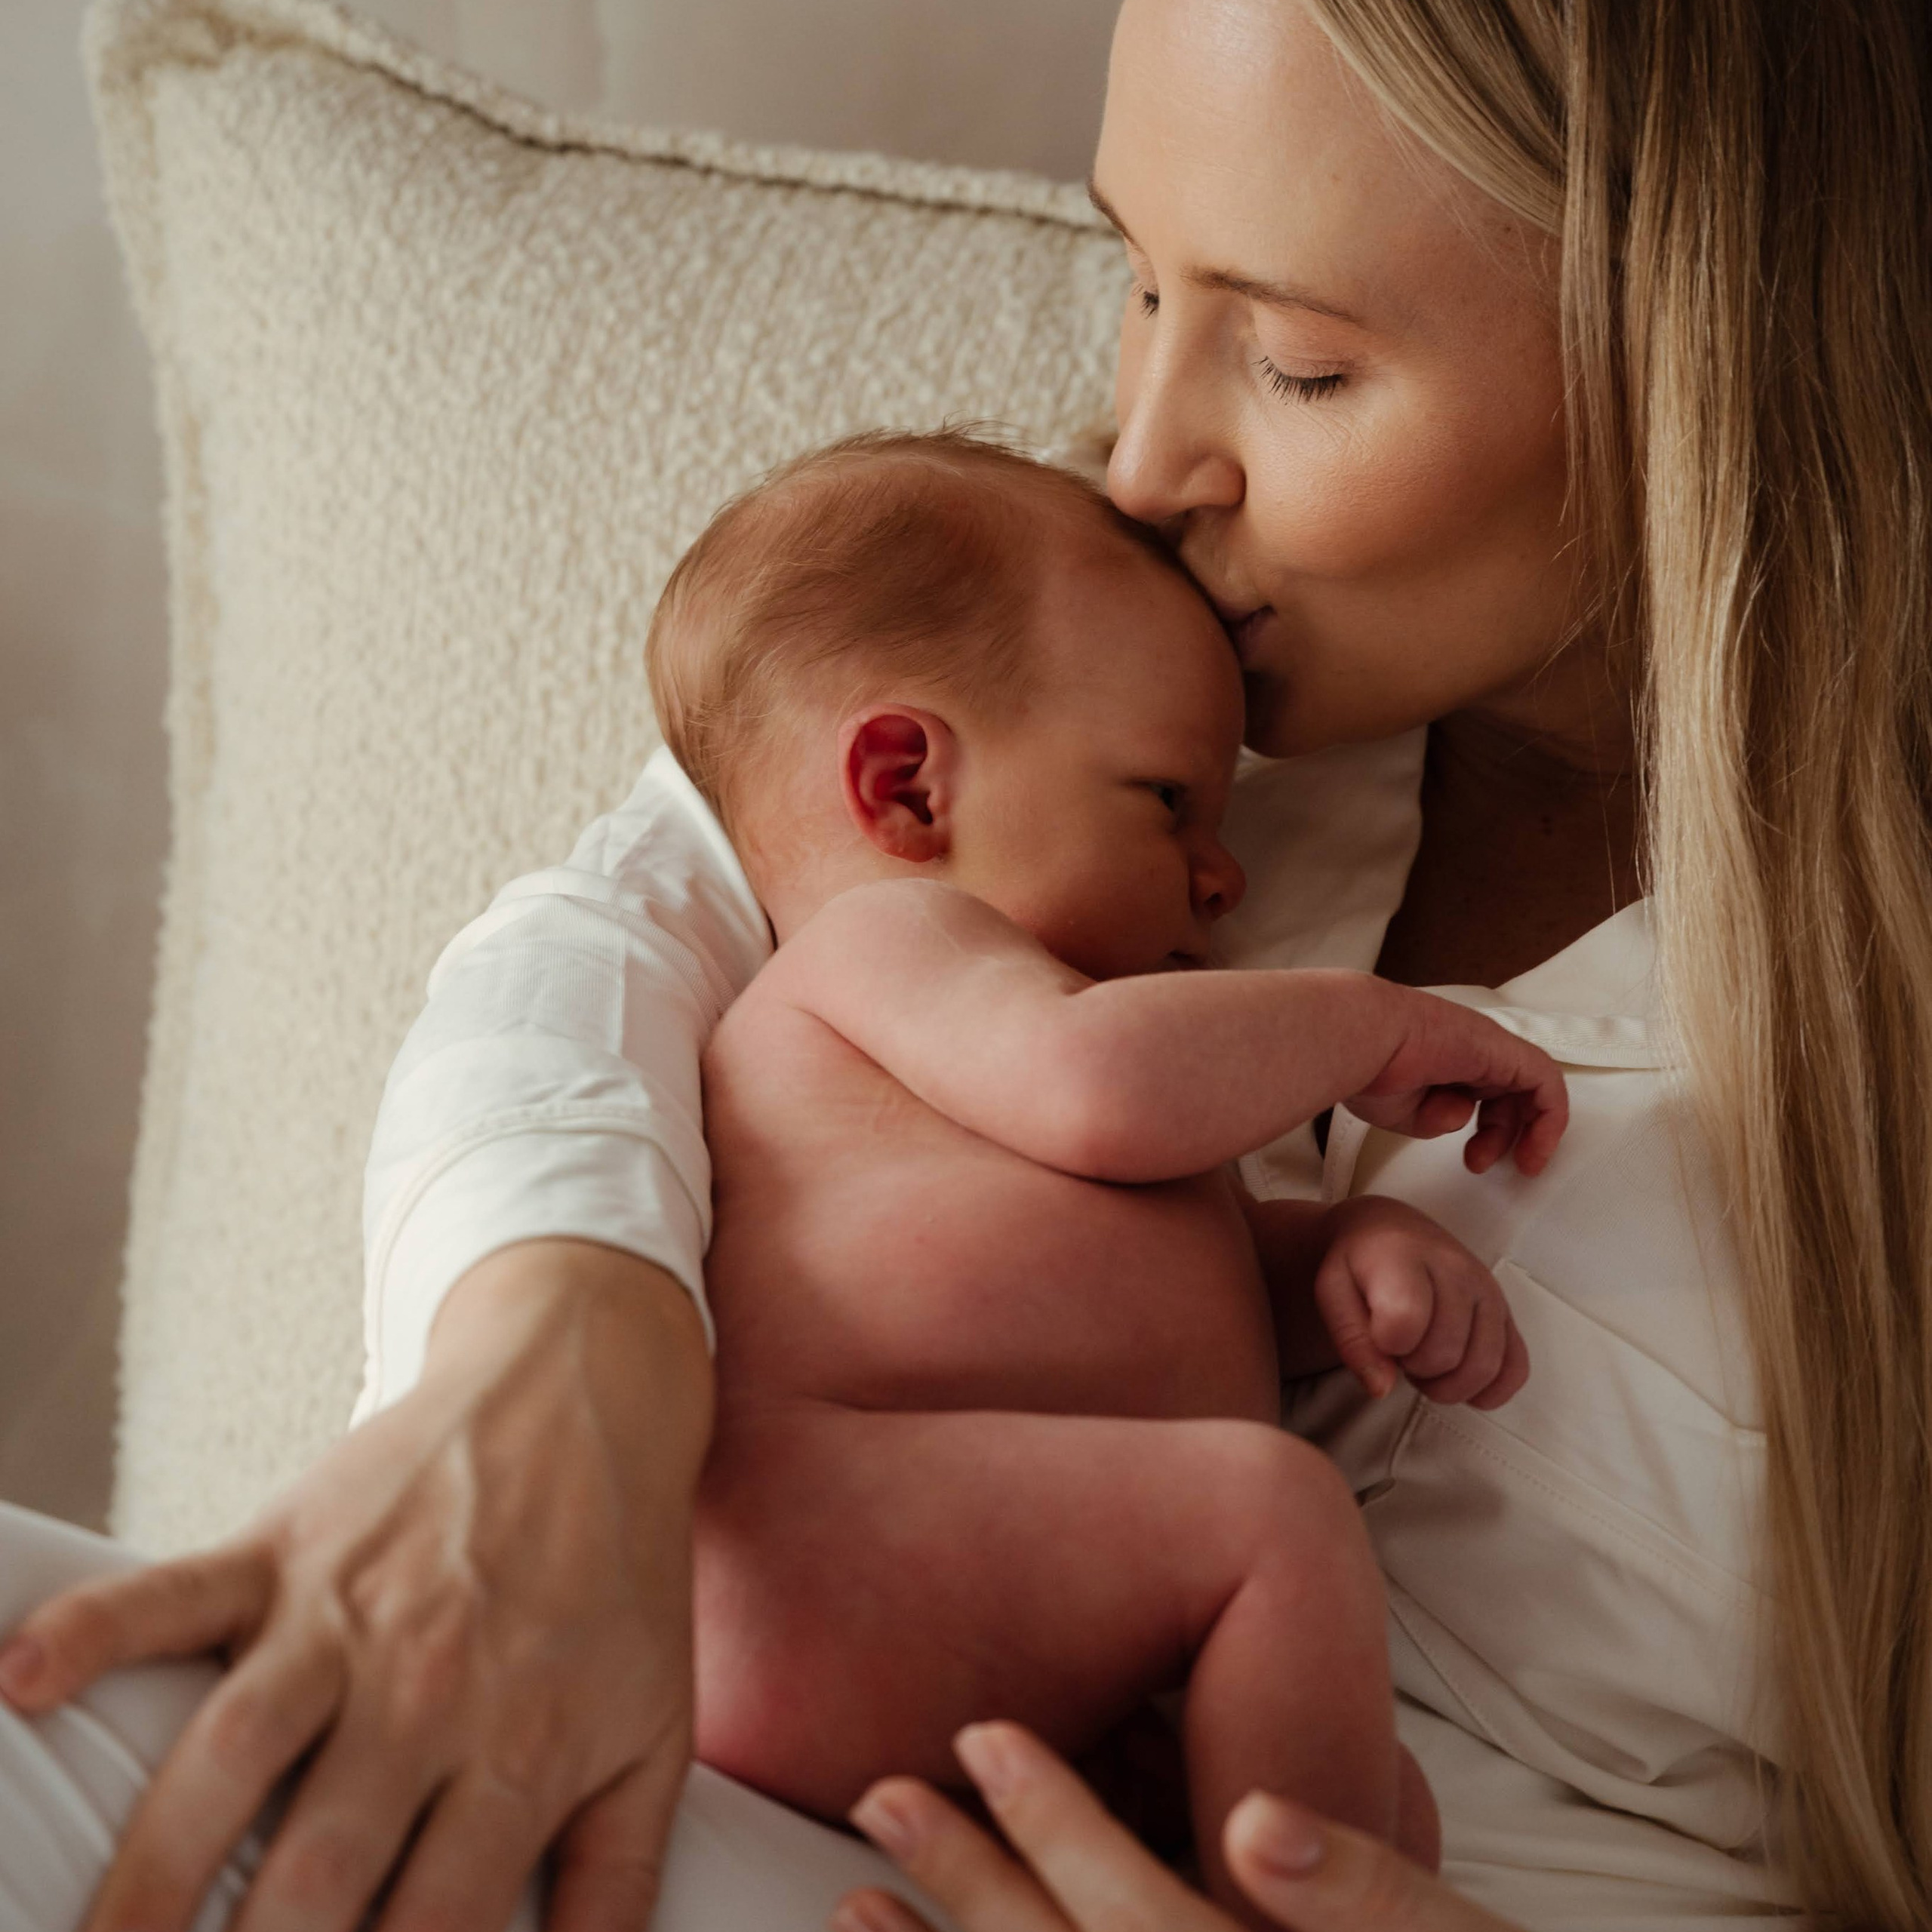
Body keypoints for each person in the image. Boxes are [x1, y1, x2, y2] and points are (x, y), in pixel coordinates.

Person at [4, 0, 1928, 1927]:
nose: (1153, 455)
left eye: (1295, 362)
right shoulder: (1067, 654)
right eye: (1137, 277)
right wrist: (560, 1336)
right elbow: (599, 945)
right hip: (767, 1764)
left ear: (1697, 350)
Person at [654, 429, 1567, 1903]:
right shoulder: (898, 940)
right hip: (822, 1538)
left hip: (969, 1591)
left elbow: (1147, 1270)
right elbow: (1098, 1097)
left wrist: (1322, 1268)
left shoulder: (1065, 1028)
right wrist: (1362, 1022)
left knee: (1381, 1793)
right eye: (1165, 801)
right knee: (1269, 1514)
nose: (1227, 873)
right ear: (905, 789)